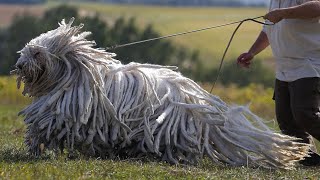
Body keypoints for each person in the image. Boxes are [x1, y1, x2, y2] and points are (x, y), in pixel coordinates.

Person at [237, 0, 320, 166]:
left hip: (308, 65)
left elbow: (317, 6)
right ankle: (311, 162)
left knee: (305, 114)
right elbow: (268, 30)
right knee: (286, 121)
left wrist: (283, 13)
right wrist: (252, 52)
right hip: (284, 68)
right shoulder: (275, 1)